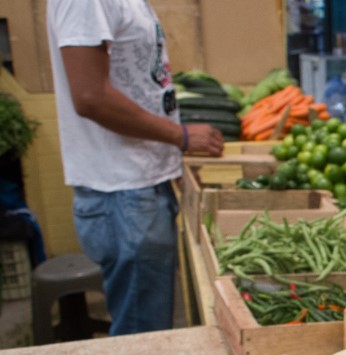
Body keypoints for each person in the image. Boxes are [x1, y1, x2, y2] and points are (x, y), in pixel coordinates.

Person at [47, 0, 224, 335]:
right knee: (143, 336)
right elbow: (90, 96)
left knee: (149, 327)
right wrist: (180, 136)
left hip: (139, 191)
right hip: (125, 195)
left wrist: (173, 155)